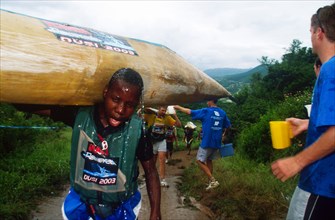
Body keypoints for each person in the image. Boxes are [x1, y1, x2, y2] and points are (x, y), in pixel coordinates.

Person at [17, 68, 161, 219]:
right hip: (82, 207)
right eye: (116, 99)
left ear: (137, 104)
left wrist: (155, 212)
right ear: (105, 92)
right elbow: (25, 106)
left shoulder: (137, 131)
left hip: (122, 207)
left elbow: (150, 171)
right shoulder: (80, 115)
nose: (120, 110)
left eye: (130, 105)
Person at [271, 4, 335, 219]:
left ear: (319, 32)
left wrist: (296, 161)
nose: (310, 37)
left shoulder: (330, 69)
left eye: (310, 31)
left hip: (322, 183)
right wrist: (308, 123)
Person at [174, 99, 231, 191]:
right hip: (217, 142)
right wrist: (223, 135)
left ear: (210, 101)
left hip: (207, 141)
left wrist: (178, 107)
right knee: (209, 160)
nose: (206, 102)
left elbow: (189, 111)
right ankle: (210, 183)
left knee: (199, 161)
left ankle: (213, 180)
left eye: (207, 100)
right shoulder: (222, 112)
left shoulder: (206, 111)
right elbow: (228, 126)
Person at [143, 106, 181, 187]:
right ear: (158, 109)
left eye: (165, 110)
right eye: (162, 110)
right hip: (152, 141)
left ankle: (162, 179)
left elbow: (178, 125)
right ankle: (150, 177)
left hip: (162, 141)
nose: (164, 112)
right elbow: (140, 115)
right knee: (152, 161)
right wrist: (141, 109)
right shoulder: (151, 116)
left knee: (162, 159)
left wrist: (174, 115)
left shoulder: (167, 118)